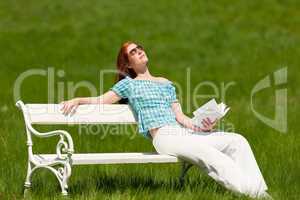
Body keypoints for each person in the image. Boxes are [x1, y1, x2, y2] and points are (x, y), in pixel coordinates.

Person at [60, 41, 272, 199]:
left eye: (139, 48)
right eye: (133, 52)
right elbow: (102, 100)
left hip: (185, 134)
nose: (139, 51)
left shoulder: (165, 83)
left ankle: (262, 193)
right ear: (129, 64)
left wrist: (203, 124)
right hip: (164, 137)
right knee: (210, 155)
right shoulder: (129, 84)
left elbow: (181, 117)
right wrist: (78, 99)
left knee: (237, 140)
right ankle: (253, 194)